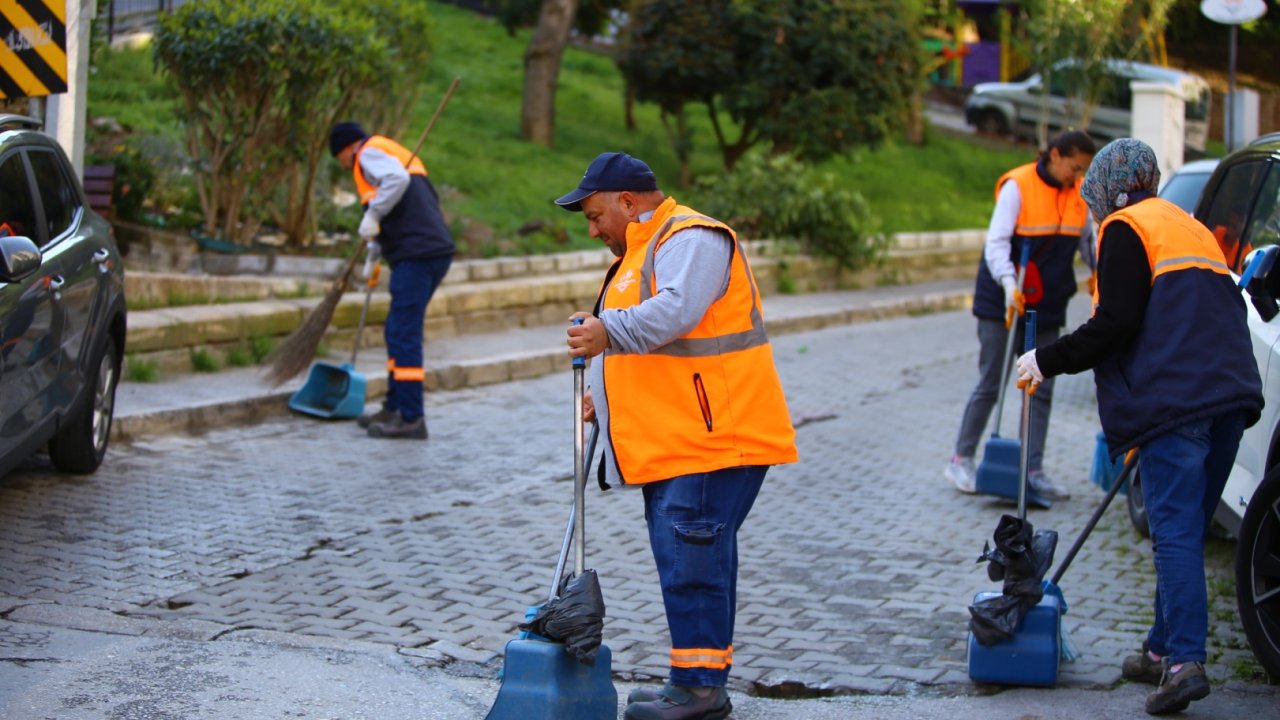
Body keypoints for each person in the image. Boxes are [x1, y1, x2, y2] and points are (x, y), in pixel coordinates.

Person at [1014, 138, 1263, 715]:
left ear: (1106, 186)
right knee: (1185, 529)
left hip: (1181, 401)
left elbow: (1117, 323)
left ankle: (1183, 665)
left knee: (1173, 532)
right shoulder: (1188, 225)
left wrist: (1045, 359)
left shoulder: (1126, 229)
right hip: (1230, 394)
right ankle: (1160, 648)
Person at [559, 152, 798, 720]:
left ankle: (700, 691)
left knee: (695, 564)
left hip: (713, 441)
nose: (594, 231)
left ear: (627, 201)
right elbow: (655, 355)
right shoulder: (642, 249)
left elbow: (674, 315)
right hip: (680, 441)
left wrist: (605, 330)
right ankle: (692, 680)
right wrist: (608, 400)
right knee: (688, 563)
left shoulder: (692, 238)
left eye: (596, 217)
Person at [944, 130, 1098, 501]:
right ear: (1055, 155)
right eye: (1074, 167)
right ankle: (961, 458)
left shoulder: (1078, 195)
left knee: (1039, 385)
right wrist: (1009, 284)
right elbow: (996, 243)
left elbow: (1087, 243)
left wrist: (1101, 270)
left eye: (1083, 171)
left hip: (1047, 302)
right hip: (1004, 298)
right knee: (992, 381)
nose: (1077, 176)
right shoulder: (1019, 186)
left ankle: (1032, 469)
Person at [328, 121, 455, 440]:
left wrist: (371, 216)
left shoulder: (367, 153)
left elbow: (395, 181)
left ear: (345, 148)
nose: (344, 166)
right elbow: (402, 202)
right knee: (396, 329)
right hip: (422, 251)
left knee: (404, 332)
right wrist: (375, 248)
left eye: (339, 159)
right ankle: (395, 406)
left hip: (418, 253)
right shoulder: (388, 151)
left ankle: (411, 417)